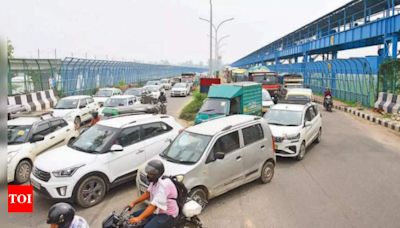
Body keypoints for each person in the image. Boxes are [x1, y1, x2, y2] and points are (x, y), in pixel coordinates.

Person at [128, 160, 178, 228]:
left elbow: (154, 205)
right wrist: (133, 203)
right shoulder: (155, 181)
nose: (148, 175)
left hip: (167, 214)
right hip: (157, 211)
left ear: (157, 174)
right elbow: (147, 193)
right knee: (133, 216)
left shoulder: (163, 186)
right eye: (148, 173)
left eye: (150, 174)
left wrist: (139, 218)